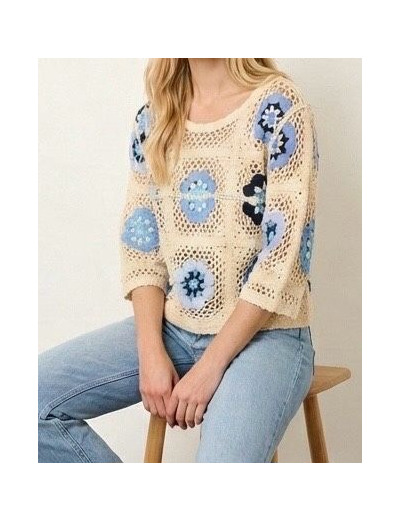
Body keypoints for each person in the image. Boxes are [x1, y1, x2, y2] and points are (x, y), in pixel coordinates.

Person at [38, 58, 318, 463]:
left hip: (268, 335)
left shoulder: (280, 108)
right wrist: (150, 351)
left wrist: (211, 366)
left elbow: (281, 262)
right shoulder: (154, 118)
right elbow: (142, 249)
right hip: (176, 328)